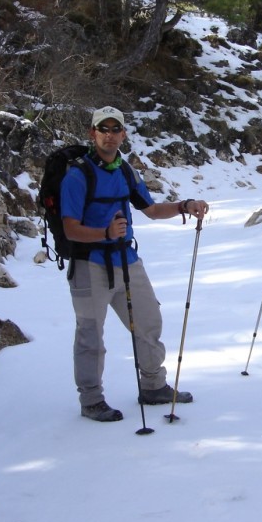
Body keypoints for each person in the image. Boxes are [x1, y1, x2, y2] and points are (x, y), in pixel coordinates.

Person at [60, 106, 209, 422]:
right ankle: (91, 401)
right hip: (90, 264)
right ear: (93, 133)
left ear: (123, 135)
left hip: (127, 260)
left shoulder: (125, 171)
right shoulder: (77, 175)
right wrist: (104, 232)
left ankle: (153, 386)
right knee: (90, 335)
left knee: (149, 320)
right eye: (104, 129)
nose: (110, 135)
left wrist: (185, 205)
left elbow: (152, 210)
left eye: (116, 129)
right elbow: (69, 228)